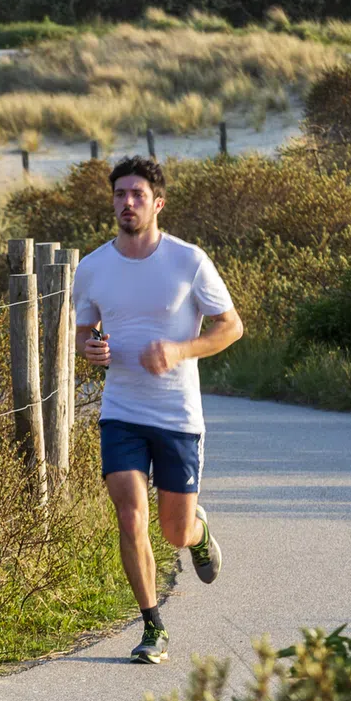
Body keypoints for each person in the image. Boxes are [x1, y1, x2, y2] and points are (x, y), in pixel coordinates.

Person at [73, 156, 244, 664]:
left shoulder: (188, 261)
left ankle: (198, 531)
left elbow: (230, 327)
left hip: (177, 415)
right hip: (121, 410)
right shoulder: (93, 267)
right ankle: (153, 627)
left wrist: (179, 350)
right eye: (120, 194)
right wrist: (92, 349)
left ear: (157, 203)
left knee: (173, 529)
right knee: (130, 515)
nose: (127, 202)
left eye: (138, 195)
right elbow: (85, 333)